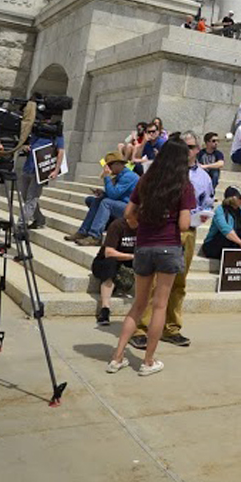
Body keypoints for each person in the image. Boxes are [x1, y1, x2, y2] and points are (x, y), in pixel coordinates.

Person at [108, 137, 196, 377]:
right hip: (168, 246)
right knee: (160, 306)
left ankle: (117, 357)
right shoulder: (183, 185)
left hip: (144, 246)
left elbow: (128, 212)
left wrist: (140, 226)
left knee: (138, 304)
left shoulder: (146, 180)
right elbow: (184, 223)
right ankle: (148, 361)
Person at [130, 131, 210, 351]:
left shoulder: (203, 177)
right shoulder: (158, 171)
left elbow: (206, 202)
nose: (188, 151)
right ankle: (141, 329)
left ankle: (171, 328)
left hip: (188, 231)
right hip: (161, 232)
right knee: (153, 285)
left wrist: (202, 214)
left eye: (192, 147)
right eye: (184, 146)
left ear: (198, 150)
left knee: (179, 283)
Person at [64, 152, 139, 245]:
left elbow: (113, 195)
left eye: (110, 166)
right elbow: (115, 194)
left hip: (131, 209)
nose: (109, 169)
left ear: (118, 164)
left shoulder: (129, 176)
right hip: (121, 204)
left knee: (106, 203)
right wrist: (102, 193)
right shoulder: (119, 176)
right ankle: (83, 231)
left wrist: (107, 177)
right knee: (96, 200)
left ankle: (95, 236)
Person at [91, 208, 138, 325]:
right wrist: (132, 256)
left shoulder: (145, 228)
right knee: (110, 263)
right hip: (104, 262)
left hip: (127, 261)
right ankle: (105, 309)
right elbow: (109, 252)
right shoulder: (117, 225)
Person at [18, 122, 65, 230]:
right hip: (27, 168)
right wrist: (24, 147)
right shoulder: (35, 131)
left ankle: (21, 224)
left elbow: (60, 152)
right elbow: (23, 143)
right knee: (25, 197)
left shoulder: (56, 134)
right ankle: (39, 219)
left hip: (41, 172)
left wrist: (56, 170)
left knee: (31, 198)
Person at [201, 186, 241, 259]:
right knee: (224, 236)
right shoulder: (220, 210)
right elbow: (225, 229)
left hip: (233, 241)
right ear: (232, 198)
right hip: (213, 244)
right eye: (240, 198)